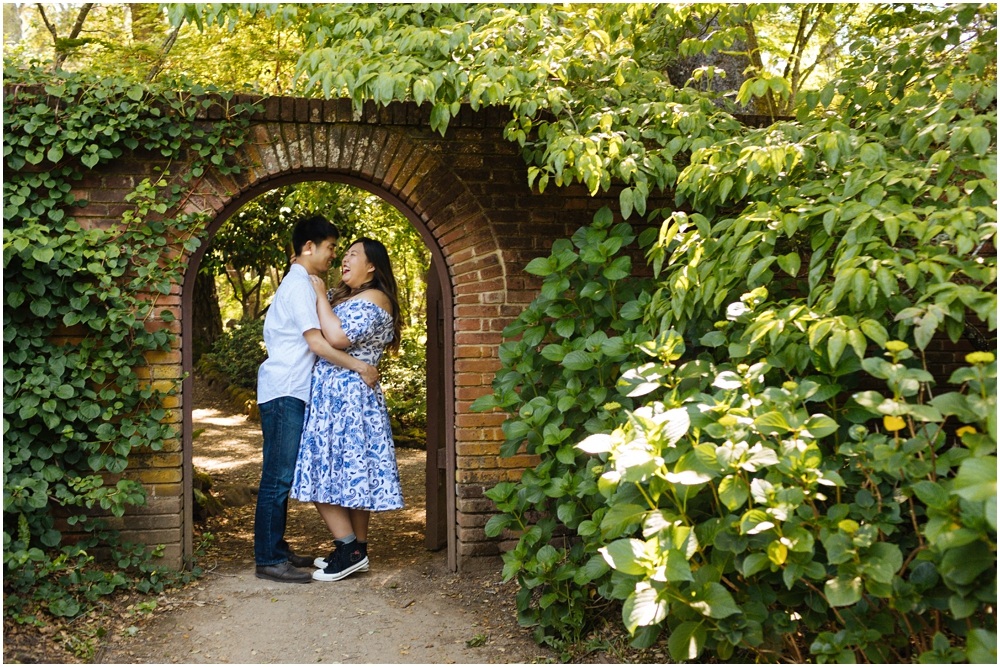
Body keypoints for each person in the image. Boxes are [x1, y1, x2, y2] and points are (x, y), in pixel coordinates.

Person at [253, 216, 380, 584]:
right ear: (309, 247)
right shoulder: (298, 287)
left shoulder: (303, 284)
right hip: (285, 388)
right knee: (277, 478)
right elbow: (318, 344)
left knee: (282, 475)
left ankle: (275, 547)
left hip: (291, 388)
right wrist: (360, 366)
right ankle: (269, 559)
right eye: (330, 247)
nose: (334, 255)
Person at [290, 237, 405, 582]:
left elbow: (337, 337)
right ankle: (356, 551)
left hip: (347, 395)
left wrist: (321, 294)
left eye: (354, 254)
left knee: (322, 470)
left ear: (372, 266)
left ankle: (348, 547)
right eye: (345, 254)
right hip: (341, 392)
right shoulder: (355, 297)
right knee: (350, 473)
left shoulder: (375, 297)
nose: (345, 259)